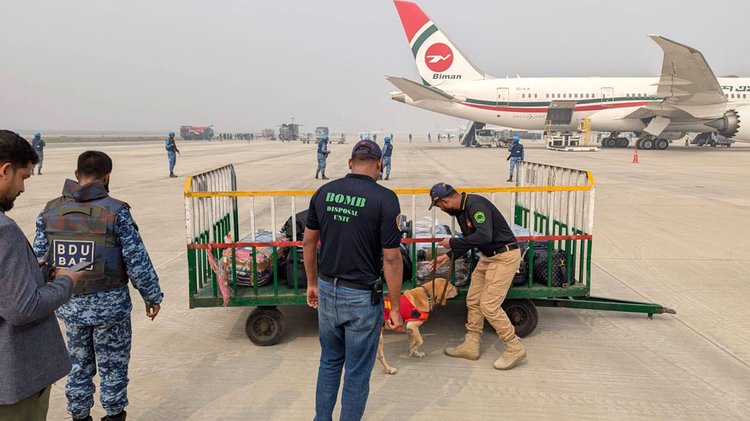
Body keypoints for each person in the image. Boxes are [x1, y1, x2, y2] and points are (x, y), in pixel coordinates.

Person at [33, 151, 164, 421]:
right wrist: (151, 296)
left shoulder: (49, 211)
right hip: (111, 309)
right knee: (113, 367)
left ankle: (79, 416)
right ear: (106, 177)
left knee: (78, 367)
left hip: (69, 306)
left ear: (76, 173)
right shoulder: (116, 212)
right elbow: (136, 259)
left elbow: (39, 261)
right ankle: (114, 416)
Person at [303, 139, 404, 421]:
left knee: (330, 362)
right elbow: (392, 259)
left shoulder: (324, 192)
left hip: (326, 289)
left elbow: (309, 242)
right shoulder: (385, 199)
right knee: (357, 372)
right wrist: (395, 307)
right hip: (361, 297)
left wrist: (312, 283)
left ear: (350, 163)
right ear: (380, 164)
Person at [0, 130, 83, 420]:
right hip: (13, 384)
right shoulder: (4, 230)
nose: (22, 189)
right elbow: (23, 308)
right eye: (23, 178)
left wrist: (32, 274)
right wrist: (66, 281)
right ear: (5, 170)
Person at [427, 182, 526, 370]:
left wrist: (452, 241)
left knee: (489, 306)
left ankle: (514, 347)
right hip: (488, 257)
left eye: (439, 205)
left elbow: (484, 236)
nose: (441, 209)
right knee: (473, 300)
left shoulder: (475, 205)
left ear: (445, 200)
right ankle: (471, 345)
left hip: (503, 256)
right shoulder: (461, 211)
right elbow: (469, 242)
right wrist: (447, 257)